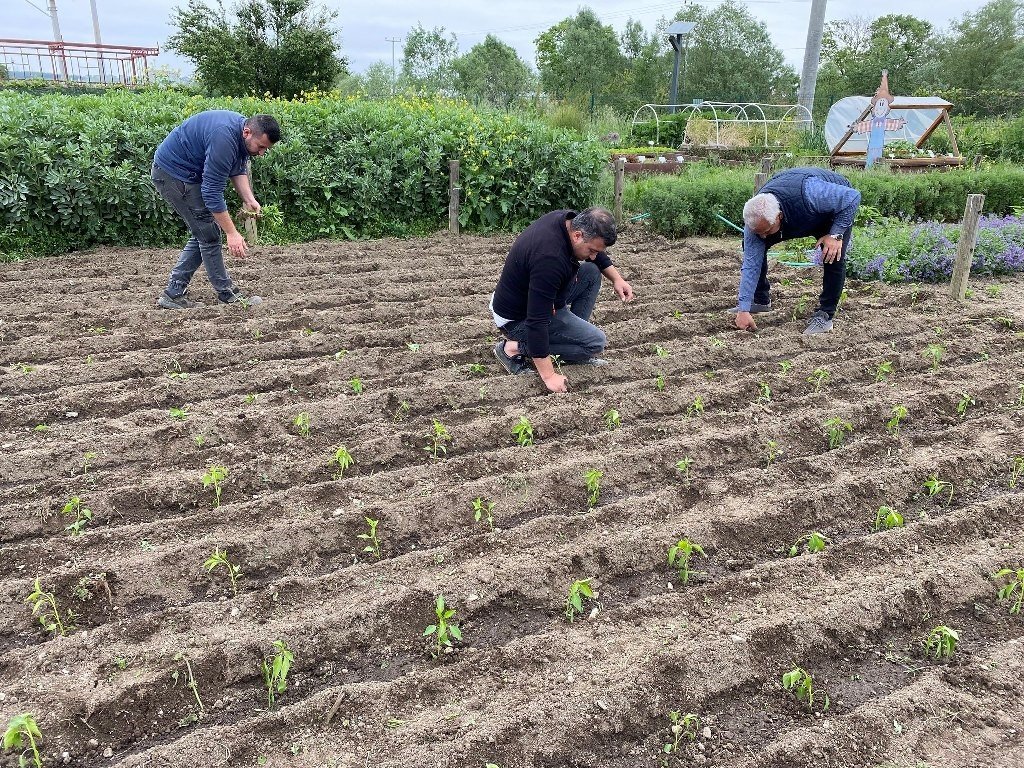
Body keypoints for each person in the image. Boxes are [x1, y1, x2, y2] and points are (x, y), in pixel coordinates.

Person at [490, 207, 635, 393]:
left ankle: (572, 340)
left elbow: (596, 251)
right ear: (577, 236)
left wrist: (617, 279)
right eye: (591, 250)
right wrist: (549, 376)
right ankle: (512, 348)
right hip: (518, 317)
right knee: (594, 343)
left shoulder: (568, 220)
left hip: (536, 298)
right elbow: (537, 321)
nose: (593, 256)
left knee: (591, 273)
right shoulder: (550, 258)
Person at [151, 111, 281, 309]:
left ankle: (174, 292)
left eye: (266, 149)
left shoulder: (240, 135)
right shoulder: (224, 138)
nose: (262, 153)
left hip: (188, 175)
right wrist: (232, 233)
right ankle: (226, 294)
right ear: (247, 132)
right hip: (173, 175)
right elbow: (211, 192)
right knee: (209, 234)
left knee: (205, 232)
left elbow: (238, 168)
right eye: (261, 147)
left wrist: (249, 198)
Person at [734, 167, 861, 335]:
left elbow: (852, 197)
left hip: (830, 210)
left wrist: (836, 234)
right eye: (759, 232)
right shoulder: (757, 221)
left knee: (833, 255)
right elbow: (751, 264)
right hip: (798, 210)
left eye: (766, 231)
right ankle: (760, 300)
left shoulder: (813, 193)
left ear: (779, 217)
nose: (763, 236)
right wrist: (743, 309)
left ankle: (825, 316)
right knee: (753, 246)